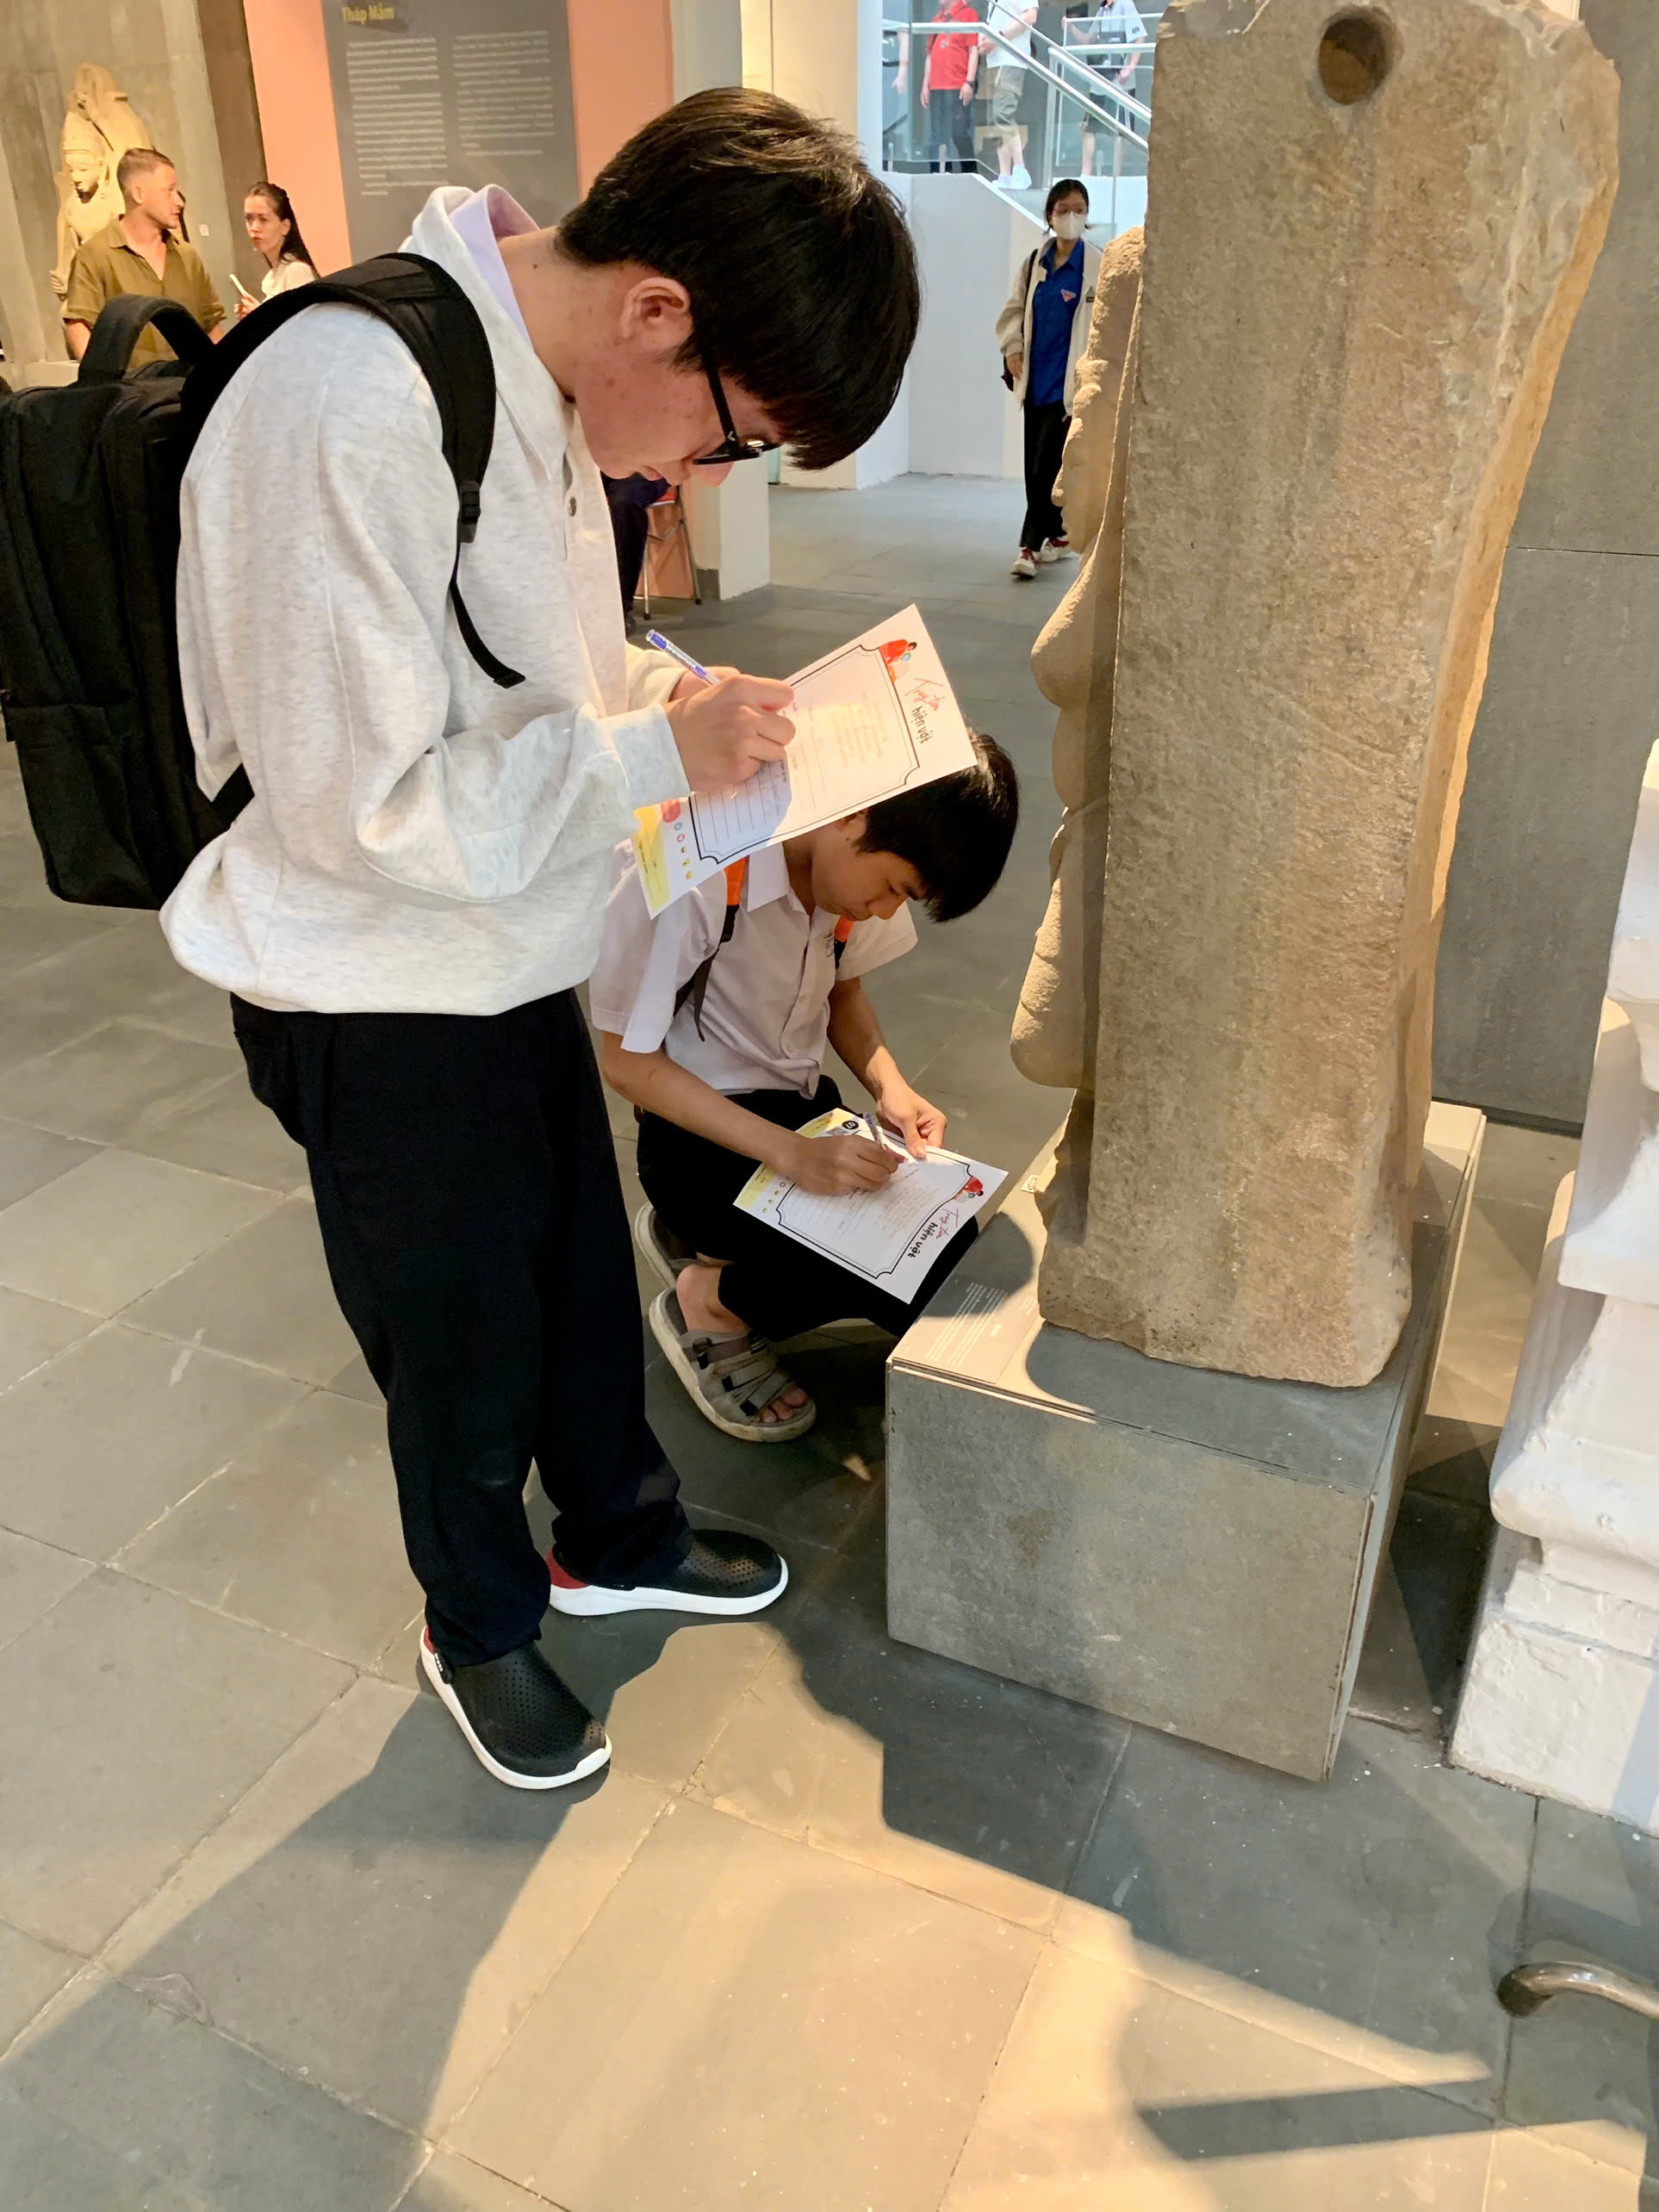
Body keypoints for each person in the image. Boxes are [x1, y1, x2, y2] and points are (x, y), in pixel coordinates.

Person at [159, 90, 920, 1793]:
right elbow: (354, 809)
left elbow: (547, 676)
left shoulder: (543, 387)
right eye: (733, 439)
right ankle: (481, 1622)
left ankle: (617, 1534)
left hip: (510, 948)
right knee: (456, 1346)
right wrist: (655, 757)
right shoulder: (348, 398)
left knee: (575, 1280)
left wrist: (684, 699)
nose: (701, 477)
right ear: (658, 312)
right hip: (370, 983)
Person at [591, 737, 1019, 1440]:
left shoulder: (842, 872)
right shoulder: (699, 865)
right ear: (853, 814)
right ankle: (709, 1299)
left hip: (800, 1113)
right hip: (693, 1139)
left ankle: (719, 1251)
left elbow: (843, 993)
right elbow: (626, 1063)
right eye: (893, 888)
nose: (885, 910)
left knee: (938, 1246)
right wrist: (792, 1155)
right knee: (863, 1262)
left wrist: (891, 1086)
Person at [997, 178, 1101, 578]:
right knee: (1037, 465)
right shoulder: (1034, 264)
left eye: (1079, 210)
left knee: (1046, 467)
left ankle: (1029, 546)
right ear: (1050, 215)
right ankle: (1057, 535)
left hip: (1072, 385)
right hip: (1036, 380)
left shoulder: (1097, 266)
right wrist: (1012, 348)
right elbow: (1013, 312)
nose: (1071, 217)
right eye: (1063, 210)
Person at [62, 147, 224, 367]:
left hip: (192, 385)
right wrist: (102, 382)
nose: (179, 201)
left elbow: (211, 324)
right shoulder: (94, 255)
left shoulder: (188, 257)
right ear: (139, 194)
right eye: (169, 191)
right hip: (132, 388)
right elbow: (79, 325)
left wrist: (222, 376)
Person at [893, 2, 981, 175]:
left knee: (959, 133)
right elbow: (930, 54)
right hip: (937, 87)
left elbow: (974, 50)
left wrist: (969, 82)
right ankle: (938, 173)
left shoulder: (968, 14)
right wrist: (925, 85)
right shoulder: (937, 19)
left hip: (958, 86)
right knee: (937, 136)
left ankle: (970, 173)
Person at [1066, 0, 1146, 177]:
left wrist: (1129, 68)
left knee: (1121, 132)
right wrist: (1071, 28)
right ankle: (1086, 173)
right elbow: (1089, 40)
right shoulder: (1102, 10)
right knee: (1088, 127)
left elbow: (1140, 36)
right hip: (1100, 80)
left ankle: (1115, 176)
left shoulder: (1125, 4)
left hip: (1120, 83)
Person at [981, 1, 1038, 190]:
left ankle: (1020, 170)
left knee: (1003, 115)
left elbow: (1030, 15)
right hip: (994, 61)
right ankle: (1005, 174)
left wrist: (997, 38)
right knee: (995, 122)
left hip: (1011, 59)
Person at [240, 180, 319, 312]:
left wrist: (259, 315)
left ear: (285, 226)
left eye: (263, 219)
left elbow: (303, 322)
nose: (254, 227)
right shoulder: (275, 273)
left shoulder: (296, 271)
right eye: (249, 219)